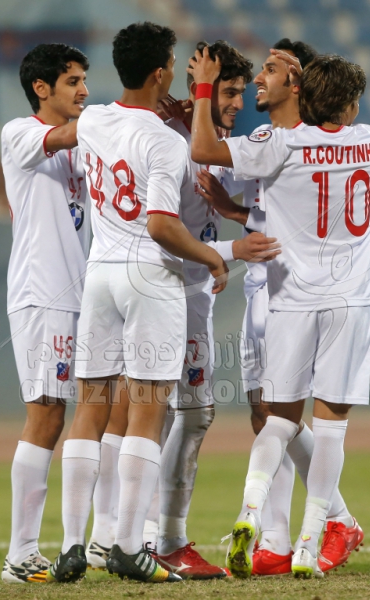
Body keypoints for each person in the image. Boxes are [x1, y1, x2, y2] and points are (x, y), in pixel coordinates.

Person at [84, 39, 279, 580]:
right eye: (228, 91)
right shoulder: (169, 138)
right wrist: (229, 251)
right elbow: (164, 232)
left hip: (182, 289)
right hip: (168, 286)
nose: (238, 102)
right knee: (180, 413)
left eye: (240, 92)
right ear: (198, 90)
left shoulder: (213, 142)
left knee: (153, 411)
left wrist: (234, 219)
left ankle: (117, 535)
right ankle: (158, 538)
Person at [188, 49, 370, 579]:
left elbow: (204, 148)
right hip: (349, 302)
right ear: (349, 104)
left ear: (301, 89)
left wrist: (204, 88)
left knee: (276, 420)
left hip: (292, 301)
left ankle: (251, 511)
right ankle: (308, 543)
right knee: (332, 428)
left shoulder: (280, 144)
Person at [47, 22, 228, 585]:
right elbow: (161, 225)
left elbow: (90, 135)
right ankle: (128, 545)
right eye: (170, 63)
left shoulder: (94, 119)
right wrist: (213, 257)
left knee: (90, 408)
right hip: (149, 278)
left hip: (99, 275)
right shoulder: (166, 143)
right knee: (148, 411)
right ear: (160, 72)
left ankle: (73, 545)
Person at [0, 43, 90, 583]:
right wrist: (122, 116)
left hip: (77, 294)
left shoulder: (80, 144)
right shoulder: (19, 133)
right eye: (73, 81)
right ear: (41, 88)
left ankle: (102, 538)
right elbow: (63, 137)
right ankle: (20, 554)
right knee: (46, 414)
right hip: (42, 292)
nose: (84, 90)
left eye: (84, 80)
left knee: (81, 411)